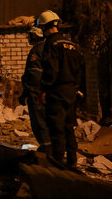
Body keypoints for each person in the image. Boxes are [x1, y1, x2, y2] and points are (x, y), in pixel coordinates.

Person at [38, 10, 85, 166]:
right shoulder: (72, 45)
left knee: (56, 130)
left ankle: (57, 165)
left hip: (56, 92)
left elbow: (51, 70)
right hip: (71, 92)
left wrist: (44, 89)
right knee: (69, 128)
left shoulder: (51, 45)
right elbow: (79, 70)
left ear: (45, 27)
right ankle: (72, 162)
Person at [19, 26, 51, 154]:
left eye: (30, 35)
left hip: (36, 94)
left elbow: (33, 75)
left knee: (39, 122)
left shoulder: (36, 51)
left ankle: (46, 148)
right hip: (47, 92)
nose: (28, 38)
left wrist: (27, 93)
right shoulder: (48, 48)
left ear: (35, 36)